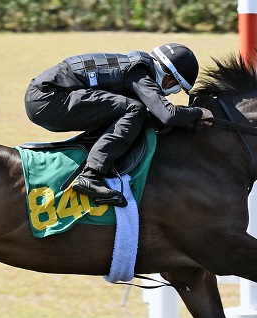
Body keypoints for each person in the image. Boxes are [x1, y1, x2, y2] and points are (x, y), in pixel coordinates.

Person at [24, 43, 213, 205]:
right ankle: (91, 176)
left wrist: (188, 123)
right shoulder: (140, 75)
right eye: (174, 87)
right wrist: (198, 112)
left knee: (135, 113)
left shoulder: (139, 68)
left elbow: (155, 117)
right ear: (169, 78)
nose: (170, 93)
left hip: (46, 97)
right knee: (134, 109)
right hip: (48, 99)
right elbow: (167, 115)